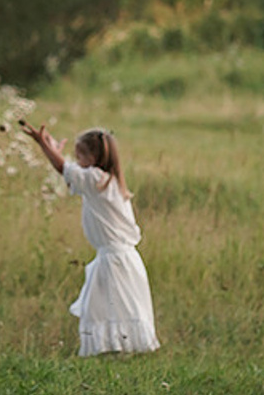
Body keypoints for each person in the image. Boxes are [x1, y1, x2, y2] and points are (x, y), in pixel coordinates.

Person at [20, 120, 160, 357]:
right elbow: (71, 172)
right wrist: (55, 150)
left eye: (80, 156)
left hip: (115, 260)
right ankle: (118, 350)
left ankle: (111, 350)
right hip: (123, 258)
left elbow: (63, 169)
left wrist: (44, 146)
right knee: (115, 307)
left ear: (94, 158)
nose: (77, 162)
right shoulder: (108, 181)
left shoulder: (95, 179)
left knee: (98, 308)